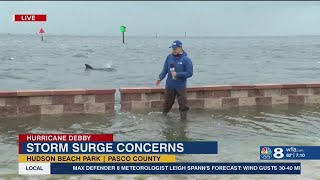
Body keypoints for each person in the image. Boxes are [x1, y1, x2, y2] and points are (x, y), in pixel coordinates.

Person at [156, 40, 193, 120]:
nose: (173, 50)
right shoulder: (169, 57)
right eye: (172, 49)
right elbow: (165, 69)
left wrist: (178, 74)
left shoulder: (186, 59)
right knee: (167, 104)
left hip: (181, 86)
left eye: (175, 49)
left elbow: (190, 73)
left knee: (183, 106)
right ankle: (164, 119)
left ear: (180, 48)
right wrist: (160, 78)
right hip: (170, 85)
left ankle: (183, 123)